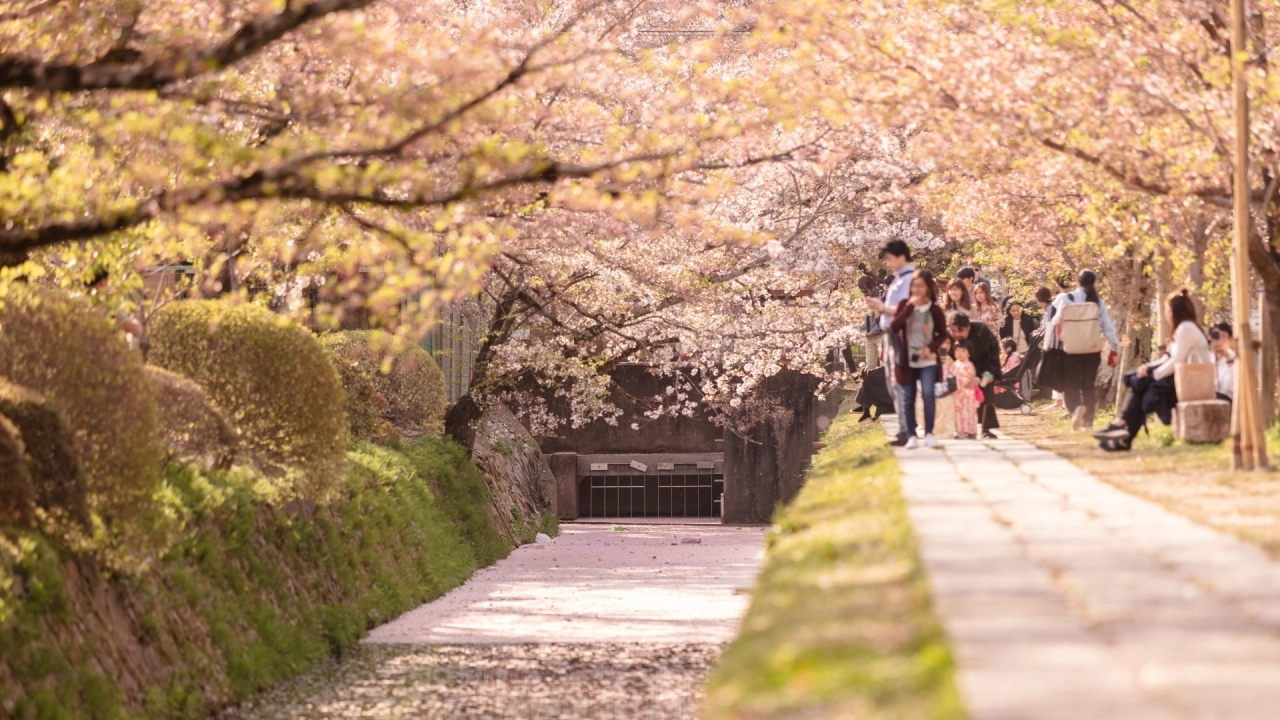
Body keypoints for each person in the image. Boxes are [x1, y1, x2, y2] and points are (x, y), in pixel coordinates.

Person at [1095, 289, 1213, 450]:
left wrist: (1153, 375)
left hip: (1191, 384)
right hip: (1182, 380)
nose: (1166, 314)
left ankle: (1121, 429)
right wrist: (1147, 368)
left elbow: (1176, 361)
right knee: (1139, 381)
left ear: (1173, 311)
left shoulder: (1187, 329)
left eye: (1167, 309)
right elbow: (1168, 358)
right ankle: (1122, 433)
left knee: (1142, 385)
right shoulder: (1183, 328)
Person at [1045, 269, 1121, 432]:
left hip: (1070, 349)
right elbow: (1107, 326)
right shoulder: (1097, 301)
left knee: (1070, 384)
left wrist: (1046, 345)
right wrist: (1116, 346)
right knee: (1088, 385)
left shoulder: (1066, 298)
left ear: (1077, 281)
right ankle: (1088, 423)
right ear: (1094, 282)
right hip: (1092, 349)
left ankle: (1076, 409)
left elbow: (1055, 322)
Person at [888, 269, 948, 449]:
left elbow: (942, 334)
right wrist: (909, 307)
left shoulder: (934, 309)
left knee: (928, 394)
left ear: (928, 288)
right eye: (914, 286)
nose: (917, 290)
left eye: (921, 286)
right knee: (908, 397)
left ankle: (929, 433)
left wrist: (931, 348)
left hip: (928, 359)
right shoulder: (904, 305)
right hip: (907, 360)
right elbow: (894, 326)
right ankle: (912, 436)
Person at [866, 240, 917, 446]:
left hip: (901, 335)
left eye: (890, 259)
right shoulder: (898, 280)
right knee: (895, 383)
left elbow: (909, 309)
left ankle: (907, 430)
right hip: (891, 334)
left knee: (901, 383)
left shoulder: (910, 280)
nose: (888, 263)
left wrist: (882, 307)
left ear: (901, 256)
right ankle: (905, 428)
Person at [947, 313, 1003, 438]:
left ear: (968, 327)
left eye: (960, 331)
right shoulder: (949, 336)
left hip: (984, 366)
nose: (957, 334)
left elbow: (993, 353)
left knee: (985, 393)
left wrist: (988, 374)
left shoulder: (982, 330)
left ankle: (986, 428)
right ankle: (959, 428)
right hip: (961, 370)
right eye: (953, 331)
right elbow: (949, 355)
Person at [952, 341, 979, 439]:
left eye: (963, 351)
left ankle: (969, 431)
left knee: (967, 412)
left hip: (967, 393)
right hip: (956, 393)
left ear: (969, 353)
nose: (960, 353)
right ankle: (959, 431)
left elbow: (968, 378)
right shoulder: (954, 364)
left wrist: (956, 381)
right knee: (958, 413)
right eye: (957, 350)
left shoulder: (969, 365)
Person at [1210, 322, 1236, 402]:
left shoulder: (1235, 357)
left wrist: (1228, 358)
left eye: (1223, 336)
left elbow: (1232, 386)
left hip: (1229, 401)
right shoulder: (1208, 358)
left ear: (1230, 339)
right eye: (1216, 336)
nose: (1219, 340)